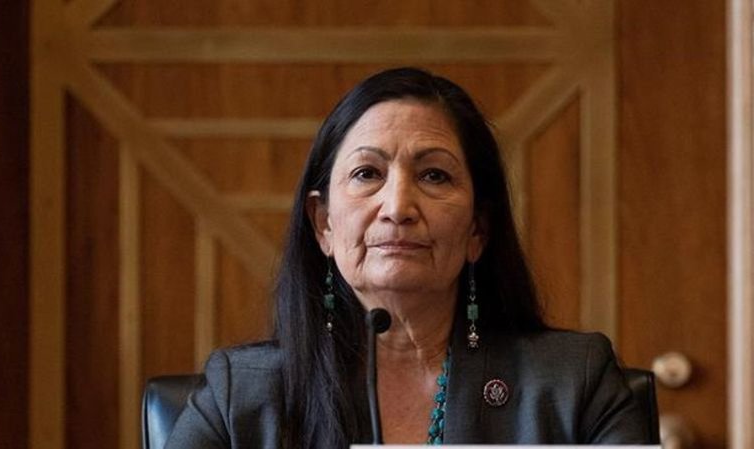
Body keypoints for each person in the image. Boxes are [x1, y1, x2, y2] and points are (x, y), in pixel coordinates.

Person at [165, 67, 649, 448]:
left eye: (435, 175)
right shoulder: (240, 395)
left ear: (478, 229)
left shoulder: (574, 382)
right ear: (324, 224)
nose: (397, 207)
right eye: (367, 173)